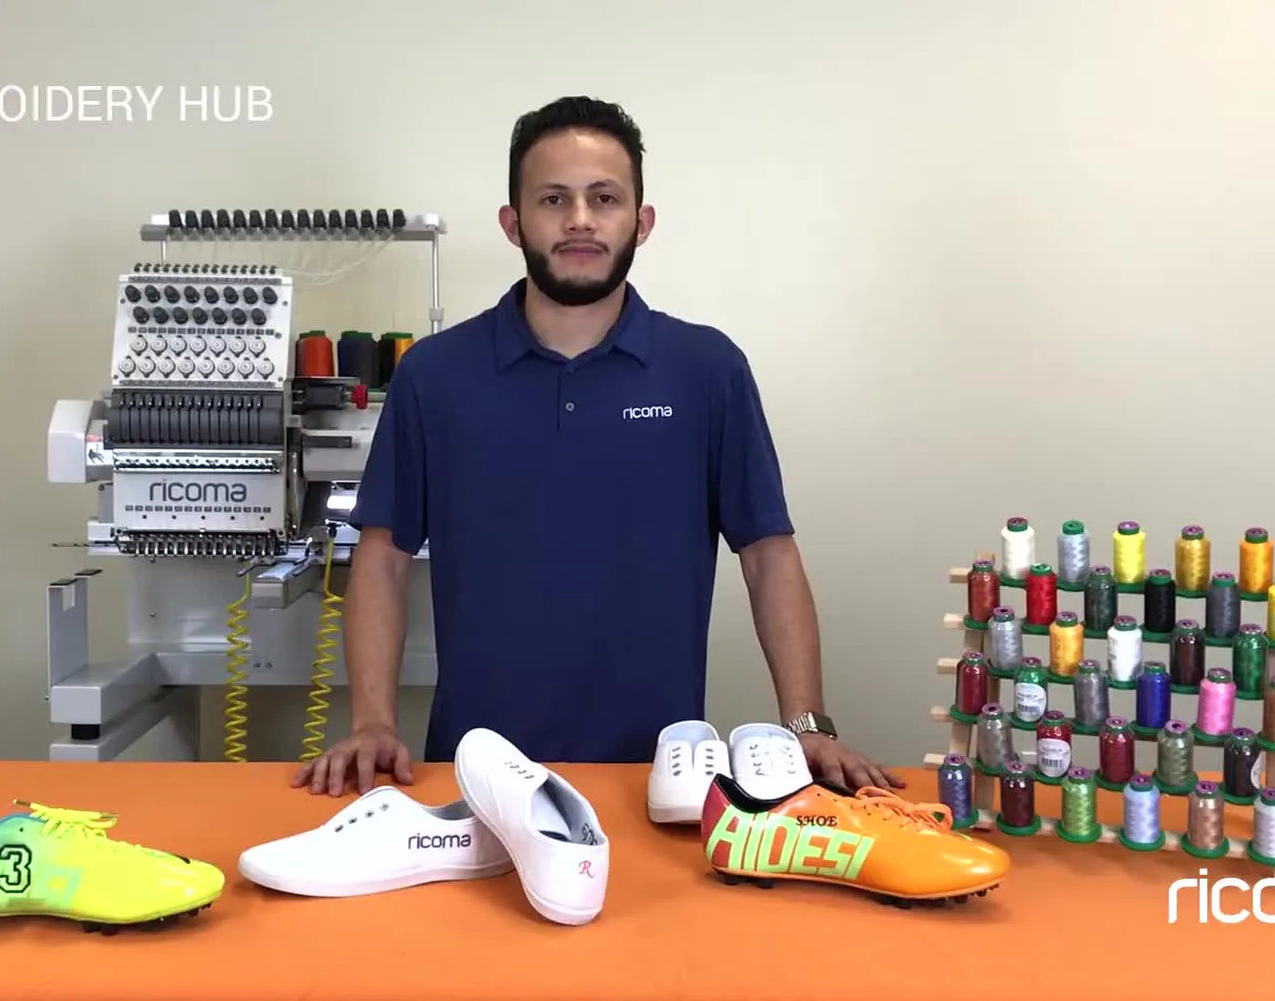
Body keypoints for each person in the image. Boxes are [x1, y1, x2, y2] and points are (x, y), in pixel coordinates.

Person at [294, 96, 894, 797]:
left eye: (603, 198)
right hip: (474, 778)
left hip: (660, 780)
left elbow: (768, 554)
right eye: (554, 198)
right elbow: (384, 558)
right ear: (512, 222)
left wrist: (808, 722)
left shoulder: (707, 369)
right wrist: (373, 722)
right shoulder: (435, 374)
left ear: (641, 221)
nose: (579, 219)